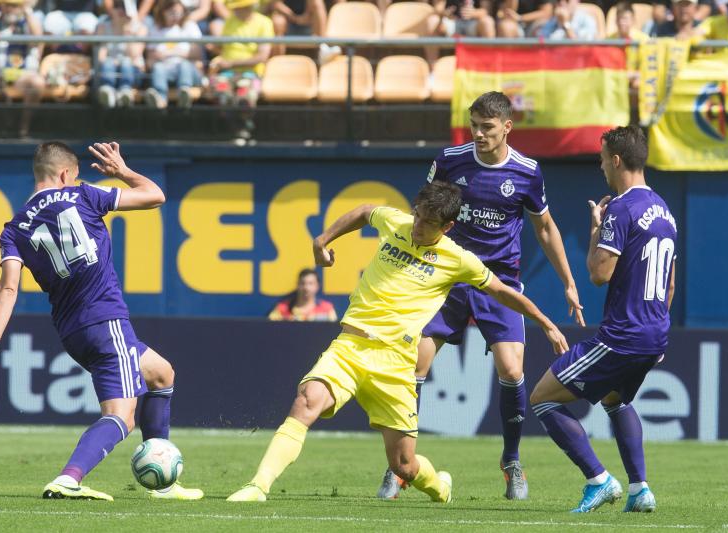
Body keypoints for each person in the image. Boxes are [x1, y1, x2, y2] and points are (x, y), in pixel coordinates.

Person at [226, 181, 569, 503]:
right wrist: (323, 240)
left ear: (447, 227)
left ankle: (440, 487)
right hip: (350, 346)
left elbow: (502, 292)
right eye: (418, 214)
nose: (418, 225)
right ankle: (259, 485)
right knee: (306, 401)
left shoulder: (458, 259)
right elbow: (363, 211)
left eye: (429, 222)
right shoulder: (396, 221)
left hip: (395, 363)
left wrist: (545, 324)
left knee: (404, 464)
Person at [0, 141, 203, 502]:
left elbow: (8, 289)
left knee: (161, 373)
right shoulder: (82, 195)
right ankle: (68, 478)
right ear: (66, 174)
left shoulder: (14, 228)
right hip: (106, 320)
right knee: (121, 416)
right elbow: (155, 196)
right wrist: (122, 172)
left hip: (73, 332)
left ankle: (162, 482)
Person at [376, 91, 584, 502]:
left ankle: (511, 462)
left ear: (507, 127)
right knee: (415, 360)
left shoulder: (526, 172)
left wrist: (568, 281)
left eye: (487, 127)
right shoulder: (451, 160)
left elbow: (544, 228)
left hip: (499, 283)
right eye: (474, 125)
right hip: (447, 280)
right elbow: (426, 214)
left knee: (511, 369)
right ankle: (400, 465)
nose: (478, 133)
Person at [530, 126, 676, 513]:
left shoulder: (623, 209)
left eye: (601, 159)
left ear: (615, 160)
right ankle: (640, 489)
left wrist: (597, 228)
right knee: (616, 400)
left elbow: (599, 273)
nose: (600, 167)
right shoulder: (665, 211)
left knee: (541, 398)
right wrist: (656, 329)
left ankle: (599, 480)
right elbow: (670, 283)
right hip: (655, 332)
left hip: (623, 335)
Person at [0, 0, 45, 137]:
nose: (10, 8)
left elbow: (38, 40)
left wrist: (26, 11)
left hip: (23, 77)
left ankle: (23, 130)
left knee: (38, 82)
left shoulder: (30, 22)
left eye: (15, 5)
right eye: (7, 4)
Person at [208, 0, 273, 140]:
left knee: (246, 97)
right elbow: (222, 47)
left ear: (249, 7)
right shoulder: (230, 20)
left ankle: (245, 129)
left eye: (238, 8)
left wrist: (231, 63)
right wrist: (214, 48)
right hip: (226, 73)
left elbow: (262, 56)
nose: (235, 11)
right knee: (221, 93)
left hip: (252, 73)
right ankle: (233, 131)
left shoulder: (264, 23)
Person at [144, 0, 205, 109]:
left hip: (190, 74)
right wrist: (156, 59)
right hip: (166, 72)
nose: (176, 16)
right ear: (163, 12)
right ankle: (160, 99)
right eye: (172, 12)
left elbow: (197, 53)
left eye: (179, 13)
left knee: (184, 65)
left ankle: (184, 93)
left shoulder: (190, 26)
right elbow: (150, 60)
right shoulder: (155, 29)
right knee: (158, 67)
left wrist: (170, 53)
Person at [95, 0, 147, 108]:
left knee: (126, 62)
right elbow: (101, 57)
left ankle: (125, 91)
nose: (120, 10)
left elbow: (134, 55)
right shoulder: (103, 27)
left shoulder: (140, 28)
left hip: (133, 73)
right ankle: (107, 90)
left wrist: (127, 33)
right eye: (117, 6)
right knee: (109, 62)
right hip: (109, 70)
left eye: (124, 7)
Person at [268, 268, 337, 322]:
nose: (306, 288)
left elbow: (333, 332)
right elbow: (270, 329)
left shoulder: (327, 309)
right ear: (297, 285)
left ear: (317, 286)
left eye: (310, 283)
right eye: (302, 283)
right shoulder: (282, 309)